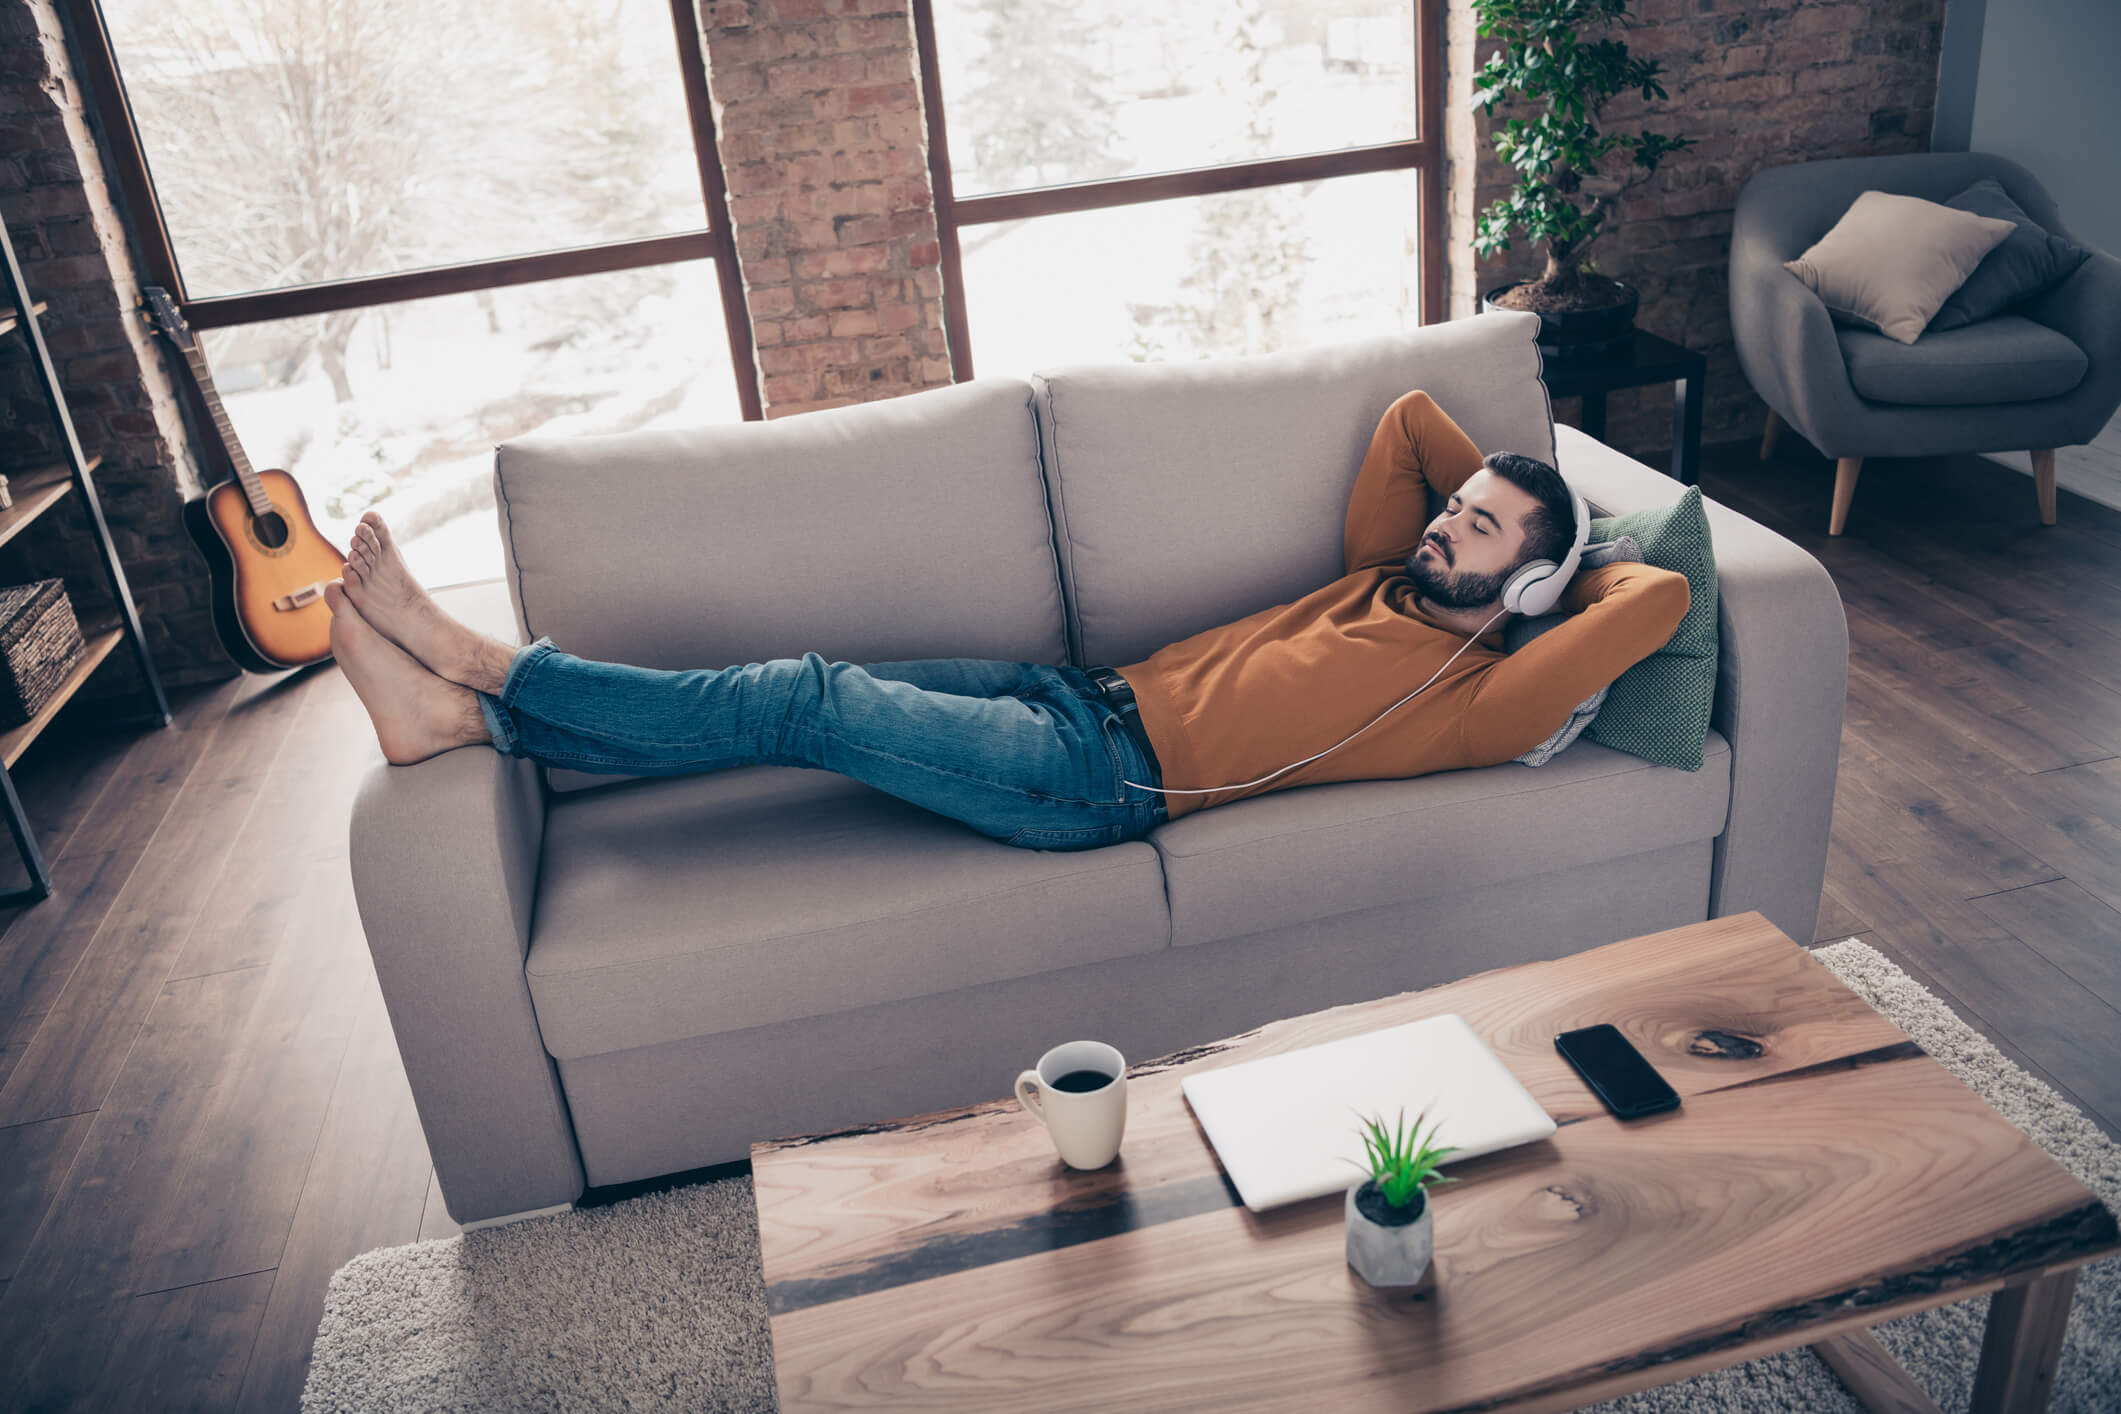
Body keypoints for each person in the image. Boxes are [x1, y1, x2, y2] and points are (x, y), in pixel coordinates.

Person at [327, 389, 1689, 851]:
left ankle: (476, 662)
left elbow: (1662, 592)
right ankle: (470, 725)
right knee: (806, 688)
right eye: (1453, 506)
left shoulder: (1473, 695)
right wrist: (1507, 486)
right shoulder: (1386, 568)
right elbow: (1407, 424)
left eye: (1481, 529)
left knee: (803, 695)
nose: (1445, 517)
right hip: (1071, 694)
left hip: (1093, 784)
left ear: (1529, 587)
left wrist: (1561, 562)